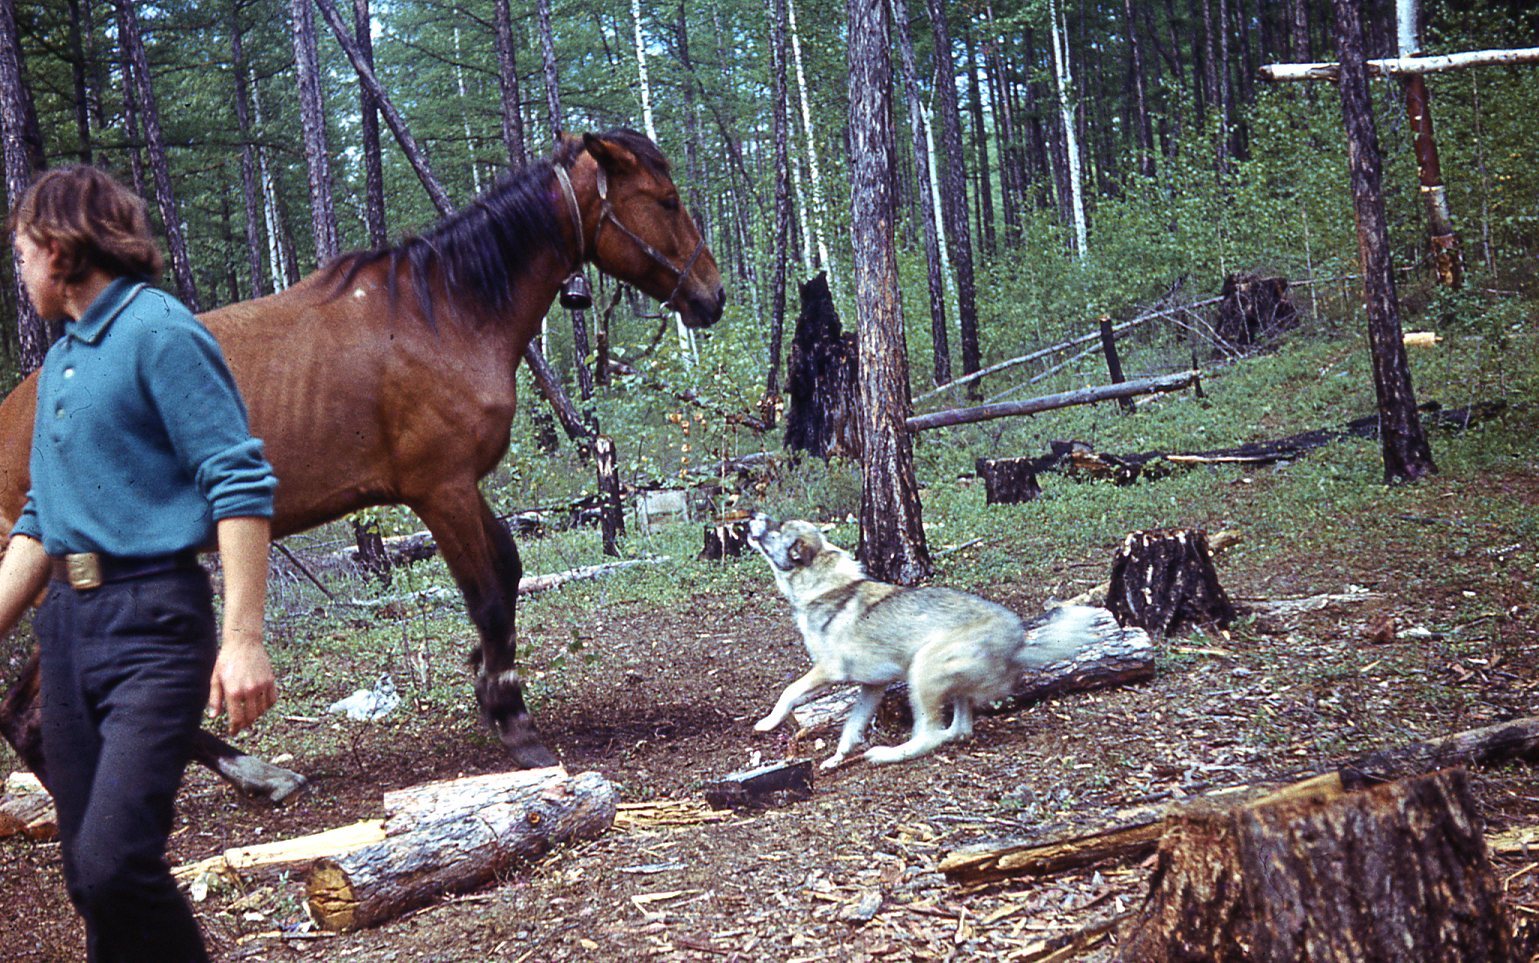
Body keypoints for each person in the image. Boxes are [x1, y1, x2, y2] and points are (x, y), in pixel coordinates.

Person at [0, 165, 279, 961]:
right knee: (90, 882)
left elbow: (238, 482)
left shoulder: (160, 332)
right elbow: (42, 521)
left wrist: (243, 638)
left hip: (152, 624)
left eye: (21, 253)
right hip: (68, 631)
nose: (19, 271)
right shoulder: (65, 358)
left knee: (115, 862)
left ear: (58, 250)